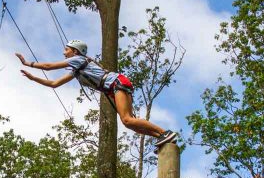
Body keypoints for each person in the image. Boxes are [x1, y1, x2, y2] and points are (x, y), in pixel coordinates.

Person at [16, 40, 178, 147]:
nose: (64, 53)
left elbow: (48, 66)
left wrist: (28, 63)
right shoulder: (76, 69)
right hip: (116, 86)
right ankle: (162, 138)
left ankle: (165, 133)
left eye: (66, 50)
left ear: (75, 51)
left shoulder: (78, 59)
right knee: (129, 123)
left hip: (116, 83)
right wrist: (33, 79)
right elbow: (54, 84)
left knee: (128, 120)